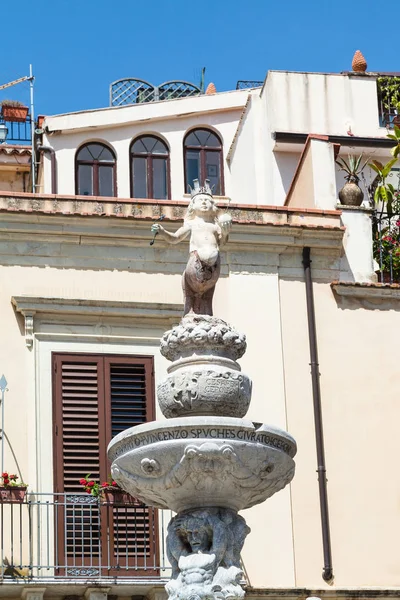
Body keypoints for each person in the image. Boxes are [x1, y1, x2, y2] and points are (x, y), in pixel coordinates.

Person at [151, 180, 232, 316]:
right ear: (192, 206)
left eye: (207, 200)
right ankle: (192, 311)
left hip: (214, 265)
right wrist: (162, 231)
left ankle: (204, 313)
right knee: (191, 290)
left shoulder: (215, 225)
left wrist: (225, 231)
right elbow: (175, 238)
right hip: (196, 262)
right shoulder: (192, 224)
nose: (204, 202)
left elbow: (222, 242)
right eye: (200, 200)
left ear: (213, 206)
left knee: (207, 296)